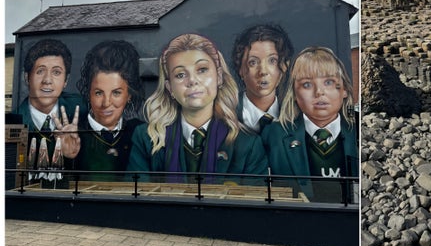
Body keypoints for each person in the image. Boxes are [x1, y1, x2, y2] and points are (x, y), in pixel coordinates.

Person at [127, 34, 267, 182]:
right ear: (170, 88)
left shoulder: (248, 144)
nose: (192, 81)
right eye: (180, 75)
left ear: (219, 77)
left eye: (202, 70)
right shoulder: (146, 138)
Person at [261, 47, 358, 202]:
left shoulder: (360, 130)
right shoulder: (274, 135)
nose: (319, 92)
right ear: (294, 93)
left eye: (329, 82)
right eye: (307, 85)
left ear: (345, 89)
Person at [16, 39, 86, 184]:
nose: (47, 80)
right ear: (26, 77)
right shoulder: (15, 121)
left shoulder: (83, 108)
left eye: (56, 72)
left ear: (66, 80)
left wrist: (71, 155)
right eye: (40, 71)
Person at [73, 40, 145, 179]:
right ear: (88, 93)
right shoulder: (71, 132)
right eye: (98, 93)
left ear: (129, 95)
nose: (106, 103)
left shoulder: (139, 133)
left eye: (116, 93)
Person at [232, 24, 294, 133]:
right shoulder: (225, 116)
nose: (263, 71)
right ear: (240, 69)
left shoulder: (296, 116)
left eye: (272, 61)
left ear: (284, 66)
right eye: (253, 62)